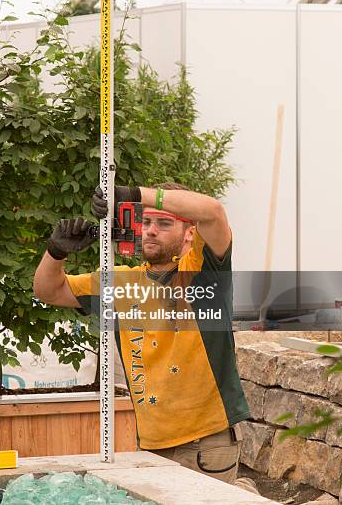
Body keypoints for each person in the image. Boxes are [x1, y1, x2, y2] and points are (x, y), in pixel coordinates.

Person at [34, 182, 257, 492]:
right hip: (151, 445)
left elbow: (214, 213)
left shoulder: (202, 272)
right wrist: (55, 252)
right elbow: (49, 290)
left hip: (205, 443)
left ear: (190, 233)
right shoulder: (122, 284)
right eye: (146, 221)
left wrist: (134, 195)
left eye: (164, 223)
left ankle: (244, 492)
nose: (151, 230)